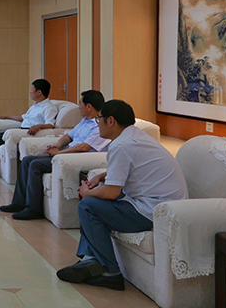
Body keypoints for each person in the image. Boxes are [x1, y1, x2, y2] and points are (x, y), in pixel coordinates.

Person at [56, 99, 187, 291]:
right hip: (166, 207)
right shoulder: (136, 137)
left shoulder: (121, 145)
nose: (97, 124)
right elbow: (132, 169)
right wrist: (102, 175)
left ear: (111, 121)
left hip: (153, 212)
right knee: (95, 201)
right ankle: (90, 259)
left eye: (99, 119)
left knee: (88, 205)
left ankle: (110, 272)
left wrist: (87, 192)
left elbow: (111, 192)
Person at [0, 90, 110, 220]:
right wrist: (57, 146)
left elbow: (84, 147)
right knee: (27, 160)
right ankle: (18, 203)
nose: (79, 107)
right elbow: (68, 136)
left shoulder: (98, 126)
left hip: (75, 158)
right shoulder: (85, 121)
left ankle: (33, 209)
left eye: (80, 103)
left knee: (35, 165)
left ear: (89, 106)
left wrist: (59, 153)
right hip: (66, 154)